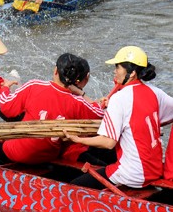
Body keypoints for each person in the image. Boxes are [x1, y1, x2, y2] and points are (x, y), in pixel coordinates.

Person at [64, 46, 173, 189]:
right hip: (155, 169)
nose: (115, 71)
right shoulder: (156, 93)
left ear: (132, 72)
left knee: (73, 187)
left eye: (118, 67)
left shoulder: (119, 98)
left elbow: (108, 142)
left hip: (132, 174)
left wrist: (78, 139)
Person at [0, 53, 104, 166]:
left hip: (19, 152)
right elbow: (100, 114)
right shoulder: (78, 103)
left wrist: (5, 89)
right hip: (48, 156)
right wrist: (81, 93)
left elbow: (5, 108)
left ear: (55, 71)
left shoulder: (34, 86)